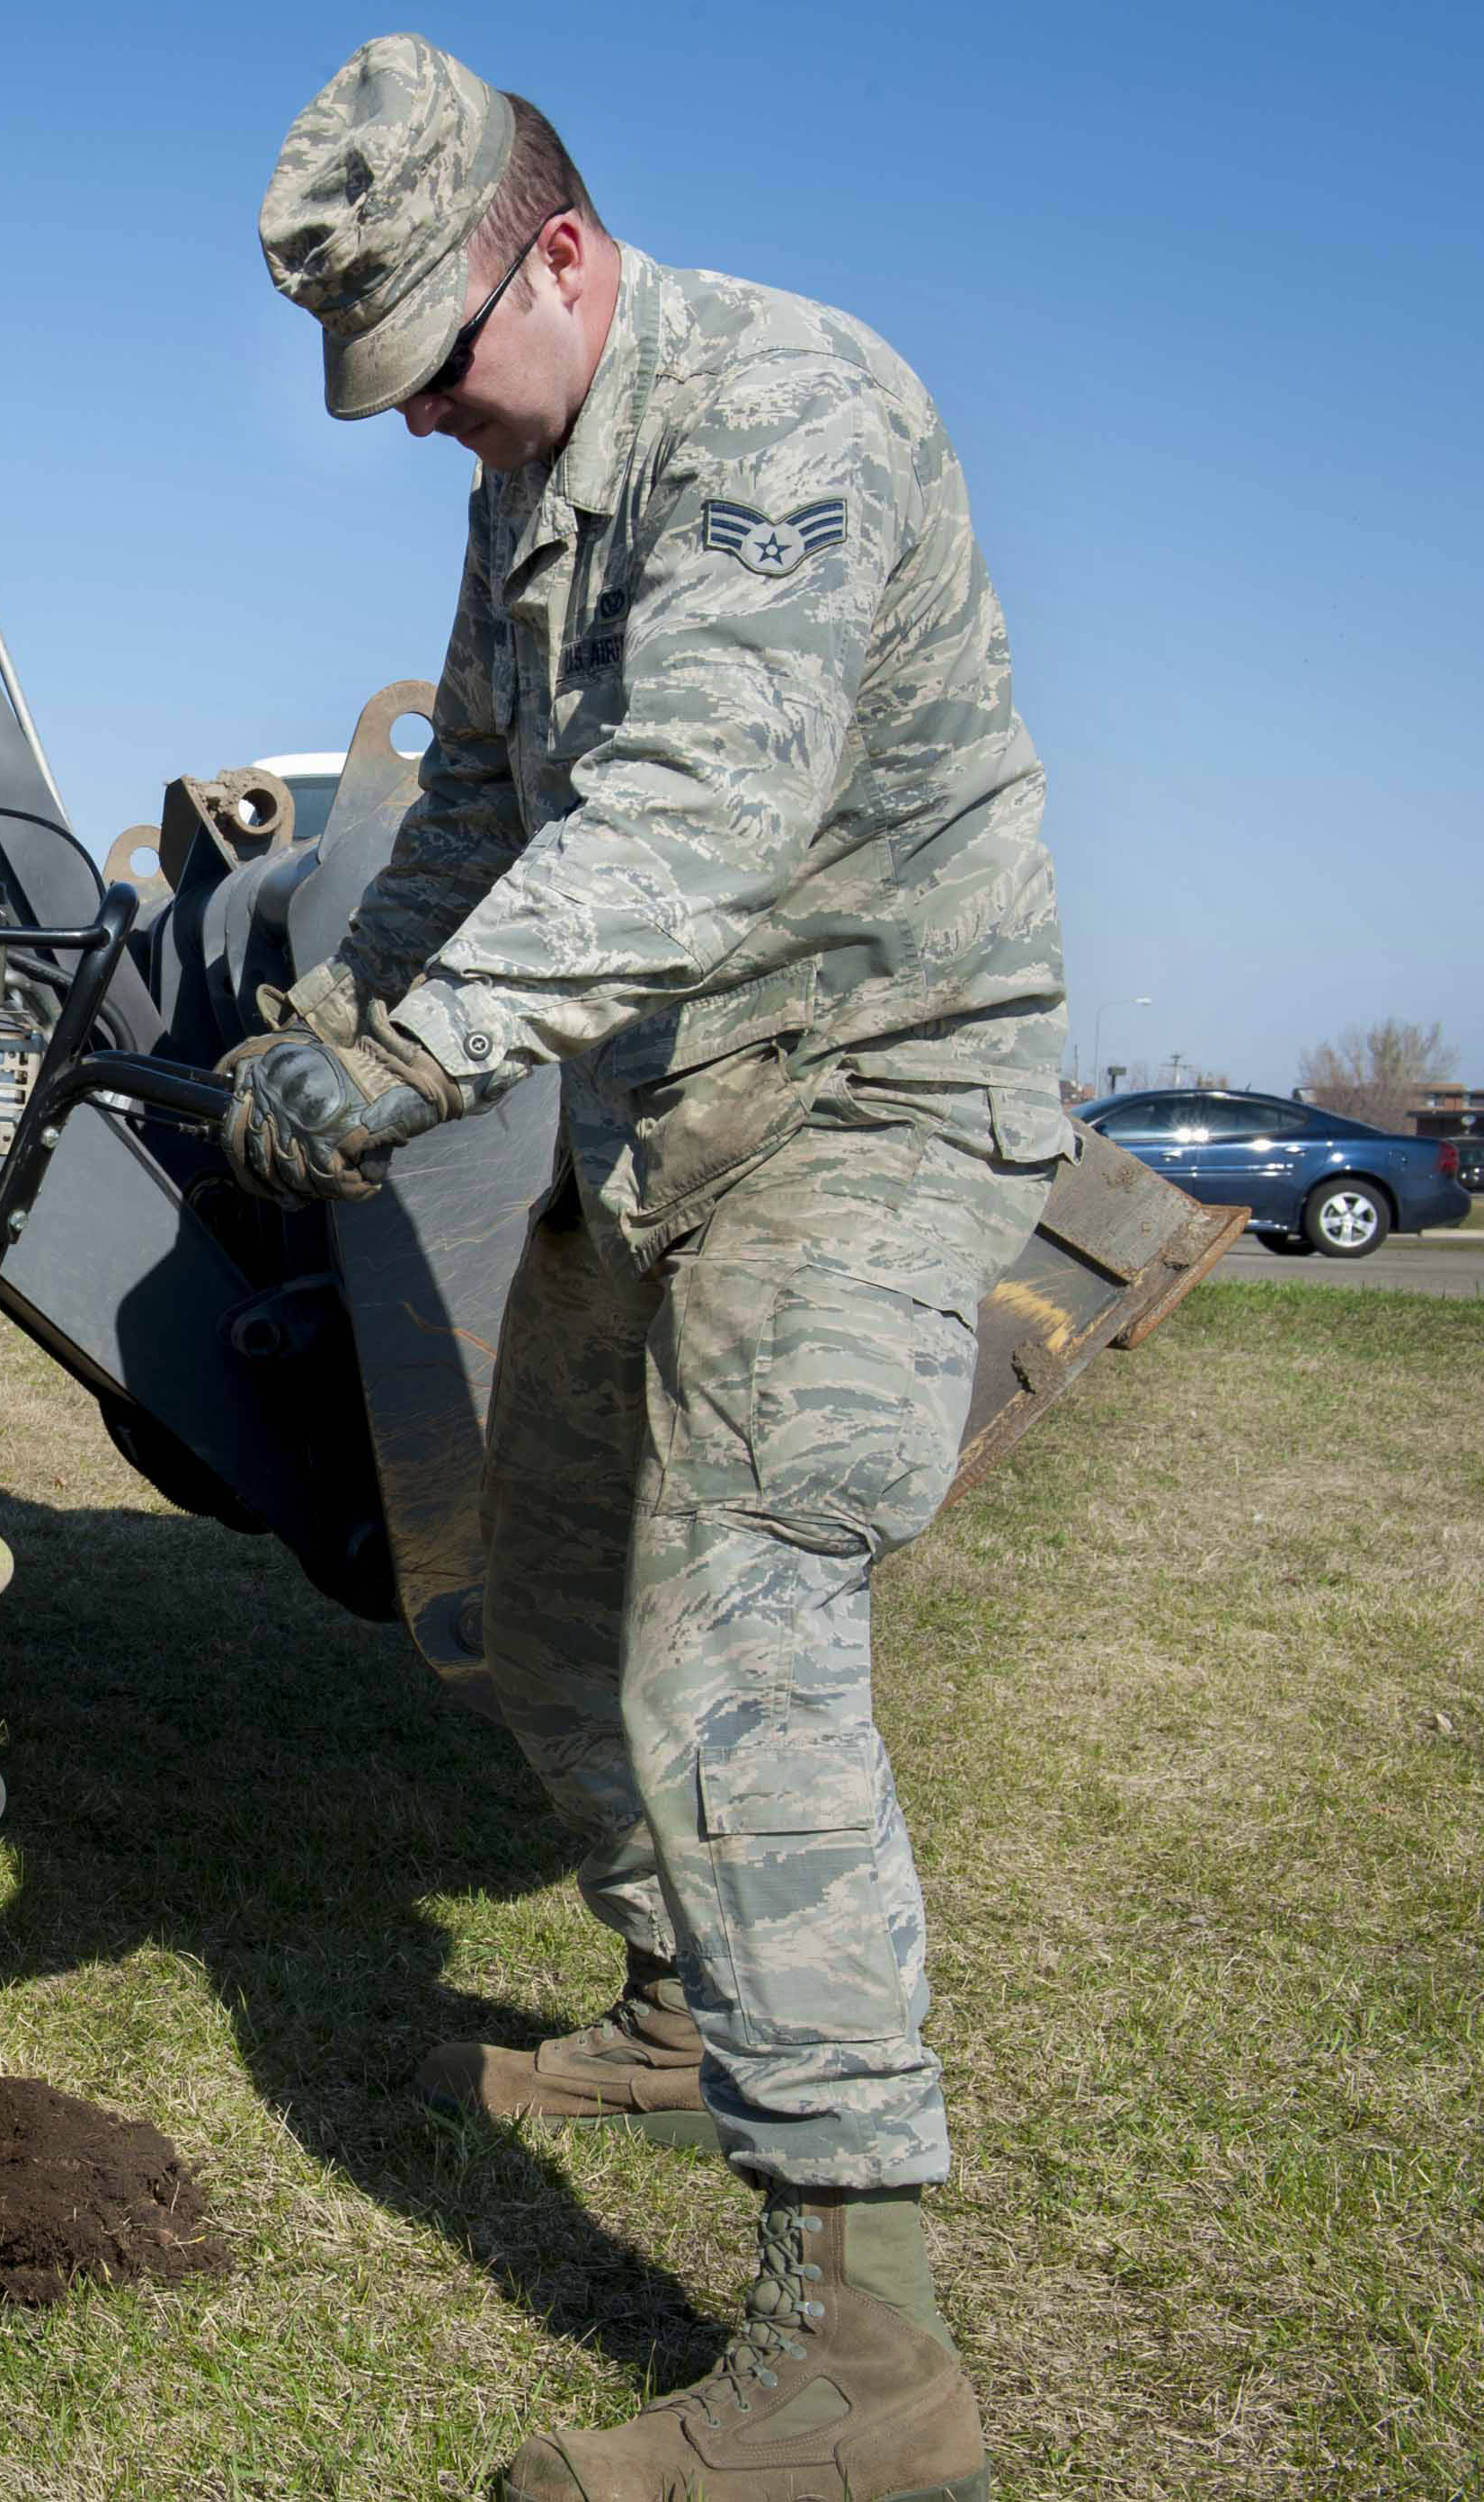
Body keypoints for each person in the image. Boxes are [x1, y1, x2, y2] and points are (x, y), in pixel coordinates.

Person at [232, 38, 1067, 2502]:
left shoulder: (788, 407)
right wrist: (328, 1016)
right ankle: (689, 2005)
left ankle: (862, 2353)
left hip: (867, 1105)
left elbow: (699, 811)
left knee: (734, 1652)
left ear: (562, 258)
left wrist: (412, 1069)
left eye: (436, 362)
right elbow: (478, 809)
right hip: (656, 1115)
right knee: (539, 1592)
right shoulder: (525, 492)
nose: (413, 424)